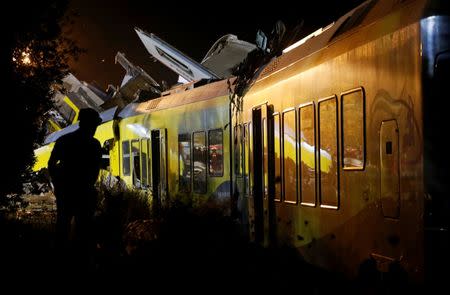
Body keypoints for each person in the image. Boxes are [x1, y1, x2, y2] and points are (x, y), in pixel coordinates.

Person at [48, 108, 102, 269]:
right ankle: (81, 262)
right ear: (89, 124)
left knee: (63, 226)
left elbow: (51, 164)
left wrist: (58, 183)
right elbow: (95, 170)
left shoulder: (64, 141)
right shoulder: (94, 144)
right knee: (84, 229)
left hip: (65, 192)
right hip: (84, 193)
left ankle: (60, 260)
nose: (95, 128)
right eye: (94, 125)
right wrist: (88, 184)